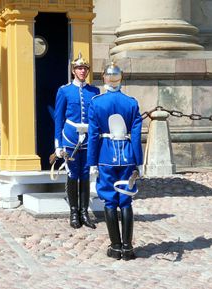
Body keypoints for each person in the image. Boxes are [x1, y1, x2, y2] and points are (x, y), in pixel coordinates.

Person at [87, 62, 143, 260]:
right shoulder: (131, 102)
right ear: (120, 79)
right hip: (128, 156)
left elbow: (93, 135)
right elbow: (136, 136)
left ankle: (115, 246)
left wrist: (91, 162)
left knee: (110, 200)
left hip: (105, 156)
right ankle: (127, 248)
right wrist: (139, 162)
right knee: (126, 200)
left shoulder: (96, 102)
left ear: (104, 78)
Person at [54, 53, 100, 229]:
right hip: (70, 137)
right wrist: (58, 144)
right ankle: (73, 211)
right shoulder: (64, 91)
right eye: (79, 68)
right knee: (73, 174)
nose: (82, 71)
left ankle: (84, 211)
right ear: (73, 71)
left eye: (85, 68)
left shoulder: (94, 91)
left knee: (85, 174)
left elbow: (96, 118)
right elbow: (58, 118)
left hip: (88, 138)